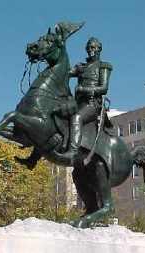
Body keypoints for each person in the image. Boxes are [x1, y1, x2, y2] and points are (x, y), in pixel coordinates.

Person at [58, 37, 113, 165]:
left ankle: (72, 151)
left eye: (93, 47)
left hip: (92, 104)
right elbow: (65, 73)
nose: (90, 50)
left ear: (99, 49)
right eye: (88, 47)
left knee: (76, 117)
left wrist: (84, 89)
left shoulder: (103, 66)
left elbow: (104, 88)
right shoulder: (81, 67)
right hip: (78, 103)